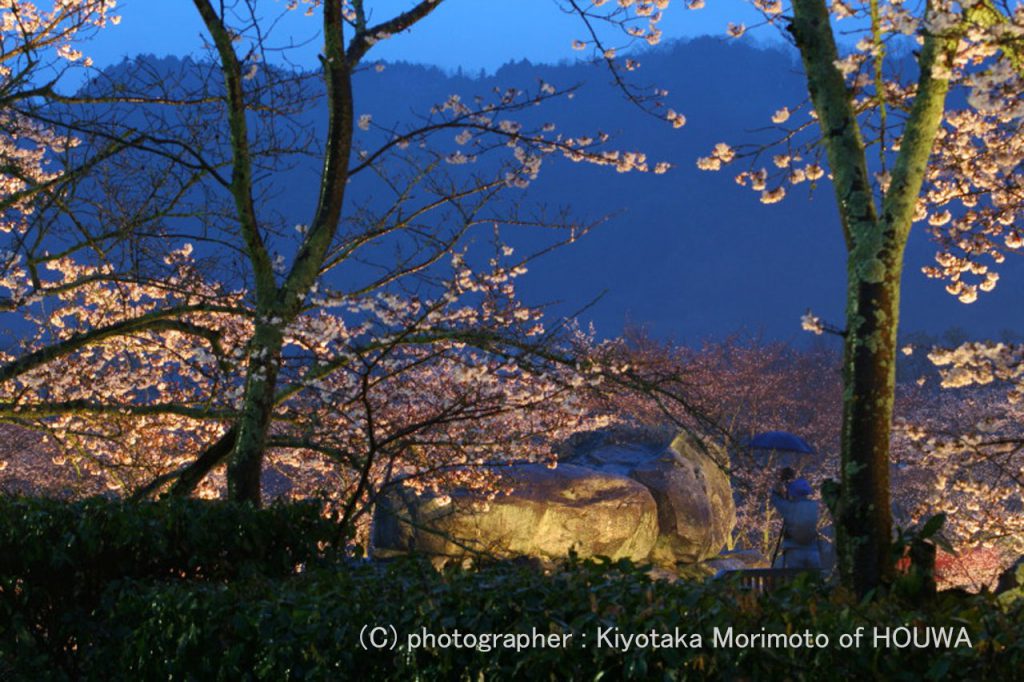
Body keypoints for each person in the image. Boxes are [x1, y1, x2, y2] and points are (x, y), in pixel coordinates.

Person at [771, 472, 822, 569]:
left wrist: (777, 491)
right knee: (815, 577)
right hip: (813, 548)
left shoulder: (790, 507)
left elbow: (776, 500)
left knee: (795, 577)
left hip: (794, 548)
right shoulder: (814, 506)